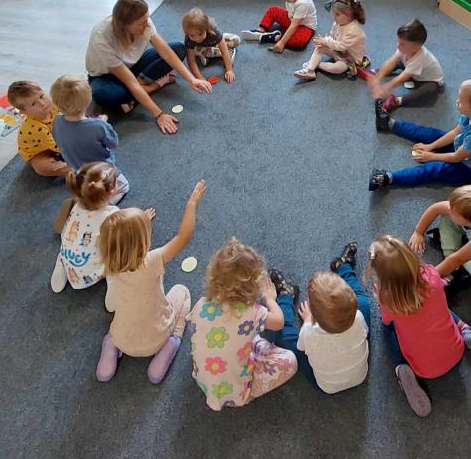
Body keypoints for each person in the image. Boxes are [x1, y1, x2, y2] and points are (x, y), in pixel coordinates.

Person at [368, 235, 471, 417]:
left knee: (388, 329)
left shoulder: (387, 299)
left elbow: (386, 320)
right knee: (441, 309)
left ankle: (401, 367)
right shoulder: (431, 275)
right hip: (456, 351)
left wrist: (381, 294)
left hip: (423, 369)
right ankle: (465, 330)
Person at [95, 180, 205, 384]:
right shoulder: (152, 261)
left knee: (114, 330)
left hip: (122, 338)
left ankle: (110, 350)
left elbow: (116, 239)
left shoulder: (109, 263)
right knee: (181, 291)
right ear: (142, 243)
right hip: (157, 339)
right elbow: (183, 237)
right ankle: (170, 344)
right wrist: (192, 204)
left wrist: (139, 223)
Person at [187, 237, 297, 410]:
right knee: (290, 361)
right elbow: (278, 322)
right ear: (253, 286)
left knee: (231, 335)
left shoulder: (201, 304)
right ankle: (249, 383)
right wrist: (269, 298)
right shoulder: (252, 313)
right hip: (238, 392)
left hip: (204, 380)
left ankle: (246, 345)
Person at [86, 0, 211, 134]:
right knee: (106, 95)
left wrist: (191, 79)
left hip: (133, 65)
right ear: (125, 26)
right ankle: (156, 84)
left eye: (147, 18)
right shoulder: (102, 39)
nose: (148, 24)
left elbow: (166, 52)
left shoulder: (144, 21)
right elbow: (131, 82)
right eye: (142, 22)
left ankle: (136, 95)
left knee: (178, 49)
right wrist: (159, 114)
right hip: (106, 76)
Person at [268, 242, 370, 394]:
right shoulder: (358, 317)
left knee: (284, 338)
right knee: (364, 303)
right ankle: (343, 266)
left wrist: (307, 321)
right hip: (360, 376)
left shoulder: (309, 332)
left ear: (314, 316)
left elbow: (301, 347)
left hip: (327, 386)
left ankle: (285, 296)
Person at [370, 77, 471, 191]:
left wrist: (431, 156)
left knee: (433, 170)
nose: (457, 102)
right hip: (463, 147)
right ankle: (389, 124)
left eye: (461, 101)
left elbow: (456, 157)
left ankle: (387, 178)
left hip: (470, 169)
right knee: (432, 134)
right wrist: (430, 146)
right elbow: (455, 132)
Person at [51, 75, 129, 203]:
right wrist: (102, 123)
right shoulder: (98, 126)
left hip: (76, 169)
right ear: (88, 99)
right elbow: (113, 144)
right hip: (101, 169)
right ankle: (103, 203)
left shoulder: (56, 121)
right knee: (123, 186)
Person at [50, 162, 120, 293]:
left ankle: (63, 262)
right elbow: (126, 233)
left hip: (71, 259)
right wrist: (142, 218)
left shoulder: (77, 206)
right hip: (92, 273)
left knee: (73, 237)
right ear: (112, 192)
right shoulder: (112, 215)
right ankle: (113, 280)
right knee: (120, 252)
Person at [368, 19, 444, 110]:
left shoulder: (420, 58)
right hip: (412, 72)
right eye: (398, 41)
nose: (398, 45)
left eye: (402, 44)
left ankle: (398, 101)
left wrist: (385, 88)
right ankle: (378, 72)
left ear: (416, 47)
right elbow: (392, 61)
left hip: (429, 80)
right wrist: (379, 77)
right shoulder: (404, 49)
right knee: (398, 62)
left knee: (429, 89)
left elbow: (402, 78)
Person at [294, 0, 368, 81]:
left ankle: (316, 65)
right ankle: (310, 70)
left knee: (338, 68)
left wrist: (326, 41)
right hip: (338, 51)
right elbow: (332, 36)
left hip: (350, 58)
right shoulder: (337, 23)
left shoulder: (354, 30)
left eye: (337, 14)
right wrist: (324, 41)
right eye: (333, 14)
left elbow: (341, 46)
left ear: (349, 15)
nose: (334, 17)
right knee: (320, 47)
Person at [6, 80, 69, 178]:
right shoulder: (35, 128)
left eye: (41, 96)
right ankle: (72, 170)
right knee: (42, 167)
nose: (42, 103)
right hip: (39, 152)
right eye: (33, 104)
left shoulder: (52, 106)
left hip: (55, 137)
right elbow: (56, 146)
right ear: (25, 112)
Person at [241, 0, 317, 52]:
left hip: (305, 26)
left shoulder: (303, 4)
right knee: (272, 10)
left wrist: (282, 42)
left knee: (300, 41)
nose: (284, 0)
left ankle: (275, 37)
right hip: (292, 18)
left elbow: (294, 25)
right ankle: (261, 30)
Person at [182, 7, 239, 84]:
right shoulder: (188, 39)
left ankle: (208, 54)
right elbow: (191, 60)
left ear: (206, 28)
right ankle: (206, 53)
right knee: (189, 51)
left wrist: (229, 70)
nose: (197, 38)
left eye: (200, 34)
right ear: (186, 33)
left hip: (214, 43)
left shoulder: (214, 31)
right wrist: (199, 77)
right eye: (192, 36)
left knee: (236, 40)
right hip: (199, 48)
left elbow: (224, 51)